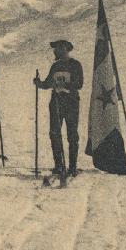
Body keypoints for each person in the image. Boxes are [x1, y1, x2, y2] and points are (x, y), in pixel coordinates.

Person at [34, 40, 83, 177]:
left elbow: (79, 84)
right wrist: (39, 84)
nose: (55, 51)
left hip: (71, 103)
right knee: (55, 133)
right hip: (56, 103)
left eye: (57, 49)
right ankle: (59, 166)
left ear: (65, 49)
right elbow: (48, 83)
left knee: (72, 134)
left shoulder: (75, 65)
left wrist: (64, 84)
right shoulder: (55, 66)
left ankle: (72, 167)